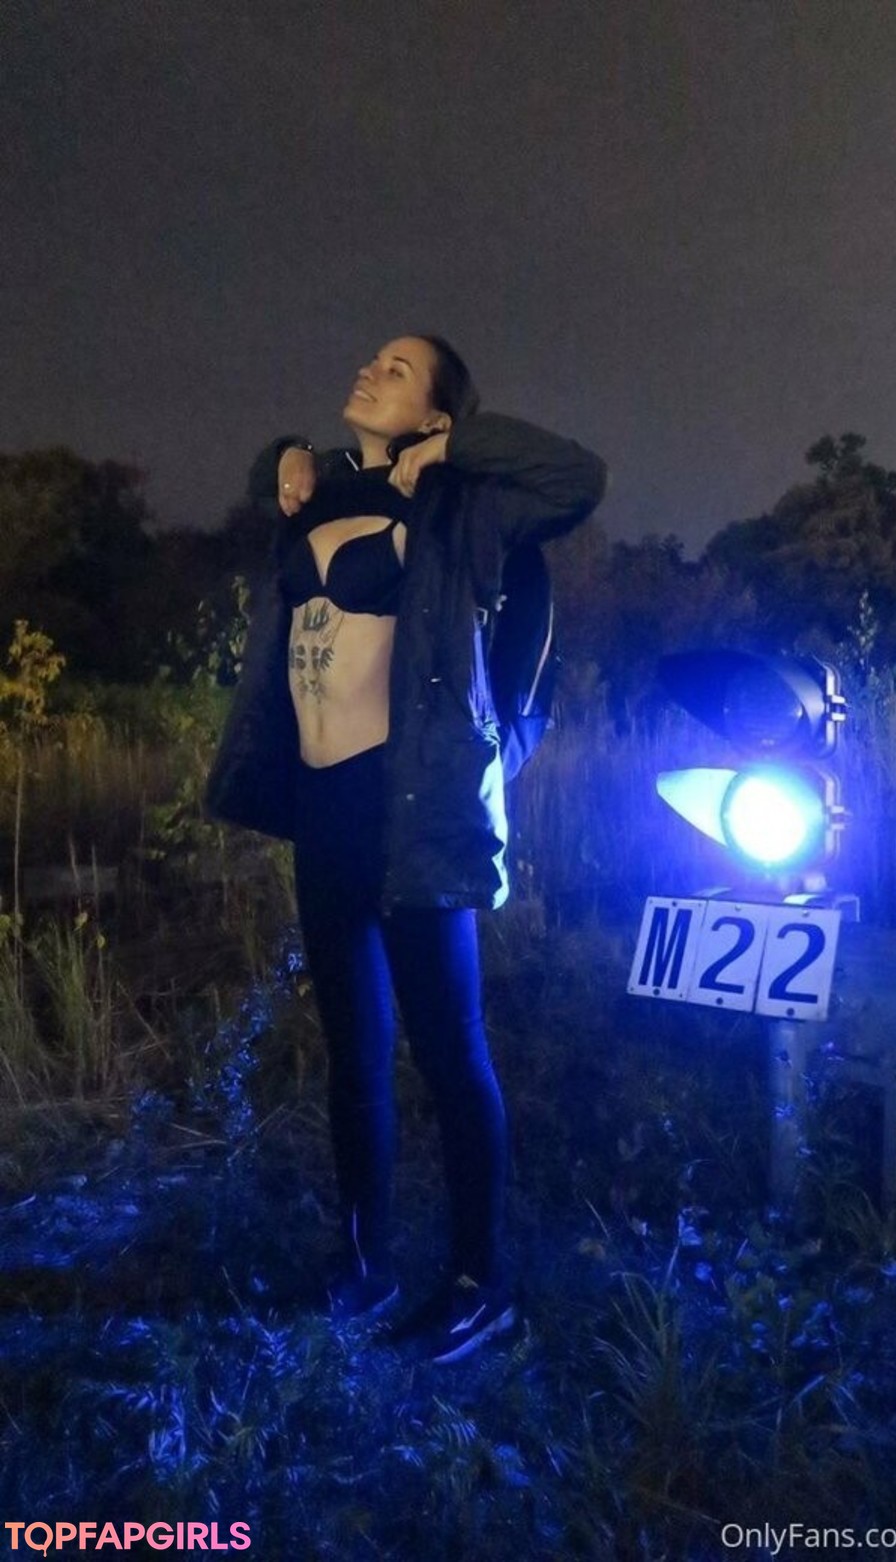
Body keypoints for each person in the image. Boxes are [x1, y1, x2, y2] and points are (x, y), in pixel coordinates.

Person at [206, 334, 606, 1362]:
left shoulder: (465, 506)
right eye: (370, 358)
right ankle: (364, 1262)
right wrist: (287, 452)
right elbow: (262, 480)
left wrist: (456, 447)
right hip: (323, 807)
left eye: (396, 369)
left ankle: (482, 1282)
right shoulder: (324, 489)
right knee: (354, 1050)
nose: (368, 370)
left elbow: (577, 477)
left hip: (414, 807)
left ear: (435, 413)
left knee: (449, 1050)